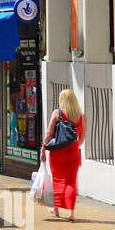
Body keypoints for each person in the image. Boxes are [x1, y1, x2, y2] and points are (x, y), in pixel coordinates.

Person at [42, 88, 87, 221]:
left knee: (57, 180)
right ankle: (71, 213)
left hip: (57, 153)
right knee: (70, 182)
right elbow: (81, 139)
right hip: (73, 153)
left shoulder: (57, 113)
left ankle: (55, 208)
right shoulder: (82, 117)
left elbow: (49, 133)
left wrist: (43, 147)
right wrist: (73, 146)